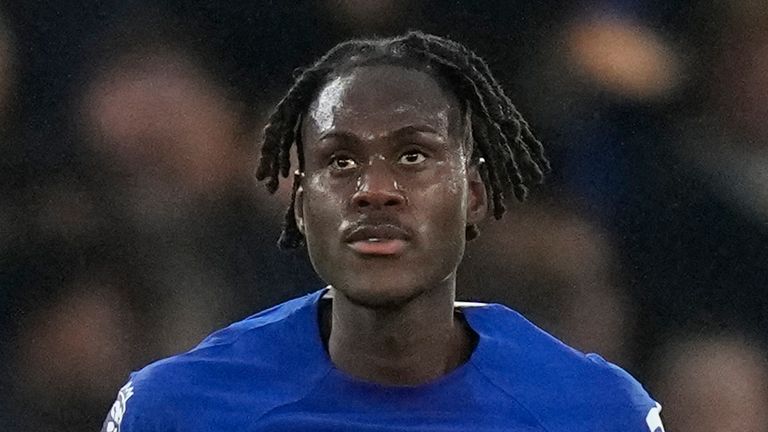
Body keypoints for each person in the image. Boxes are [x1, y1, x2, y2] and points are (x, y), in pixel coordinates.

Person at [102, 31, 664, 432]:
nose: (374, 188)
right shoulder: (177, 410)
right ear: (300, 204)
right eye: (341, 162)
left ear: (473, 195)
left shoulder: (594, 412)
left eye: (413, 155)